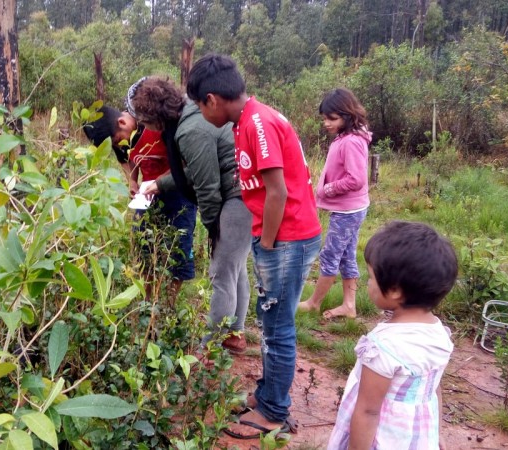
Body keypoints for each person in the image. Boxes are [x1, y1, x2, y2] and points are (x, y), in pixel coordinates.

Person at [186, 53, 321, 437]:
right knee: (271, 320)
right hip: (286, 236)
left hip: (287, 238)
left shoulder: (257, 123)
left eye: (199, 105)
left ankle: (274, 412)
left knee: (277, 328)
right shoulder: (247, 120)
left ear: (211, 99)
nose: (200, 112)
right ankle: (266, 396)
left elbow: (277, 191)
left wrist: (265, 243)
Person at [126, 76, 253, 353]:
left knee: (221, 270)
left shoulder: (189, 130)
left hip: (238, 193)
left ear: (156, 117)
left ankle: (209, 348)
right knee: (235, 265)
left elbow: (206, 186)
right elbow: (194, 170)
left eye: (146, 122)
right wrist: (159, 183)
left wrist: (212, 229)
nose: (146, 128)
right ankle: (234, 333)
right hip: (242, 188)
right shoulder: (190, 114)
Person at [327, 221, 458, 449]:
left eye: (371, 277)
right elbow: (433, 387)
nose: (368, 284)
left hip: (383, 435)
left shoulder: (383, 346)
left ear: (395, 290)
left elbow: (368, 411)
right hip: (416, 434)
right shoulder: (440, 334)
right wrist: (435, 432)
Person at [83, 105, 197, 298]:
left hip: (179, 194)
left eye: (119, 140)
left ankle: (168, 306)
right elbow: (126, 158)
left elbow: (186, 163)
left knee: (178, 250)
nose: (121, 145)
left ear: (122, 122)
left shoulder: (158, 124)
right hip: (147, 195)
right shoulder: (123, 139)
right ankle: (149, 302)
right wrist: (133, 180)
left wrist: (161, 183)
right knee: (144, 246)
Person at [298, 88, 371, 319]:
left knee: (330, 255)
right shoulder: (344, 138)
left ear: (347, 116)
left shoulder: (351, 142)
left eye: (332, 118)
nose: (326, 123)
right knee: (347, 255)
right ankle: (349, 305)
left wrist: (328, 189)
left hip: (348, 210)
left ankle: (313, 303)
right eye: (324, 118)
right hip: (349, 208)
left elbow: (356, 179)